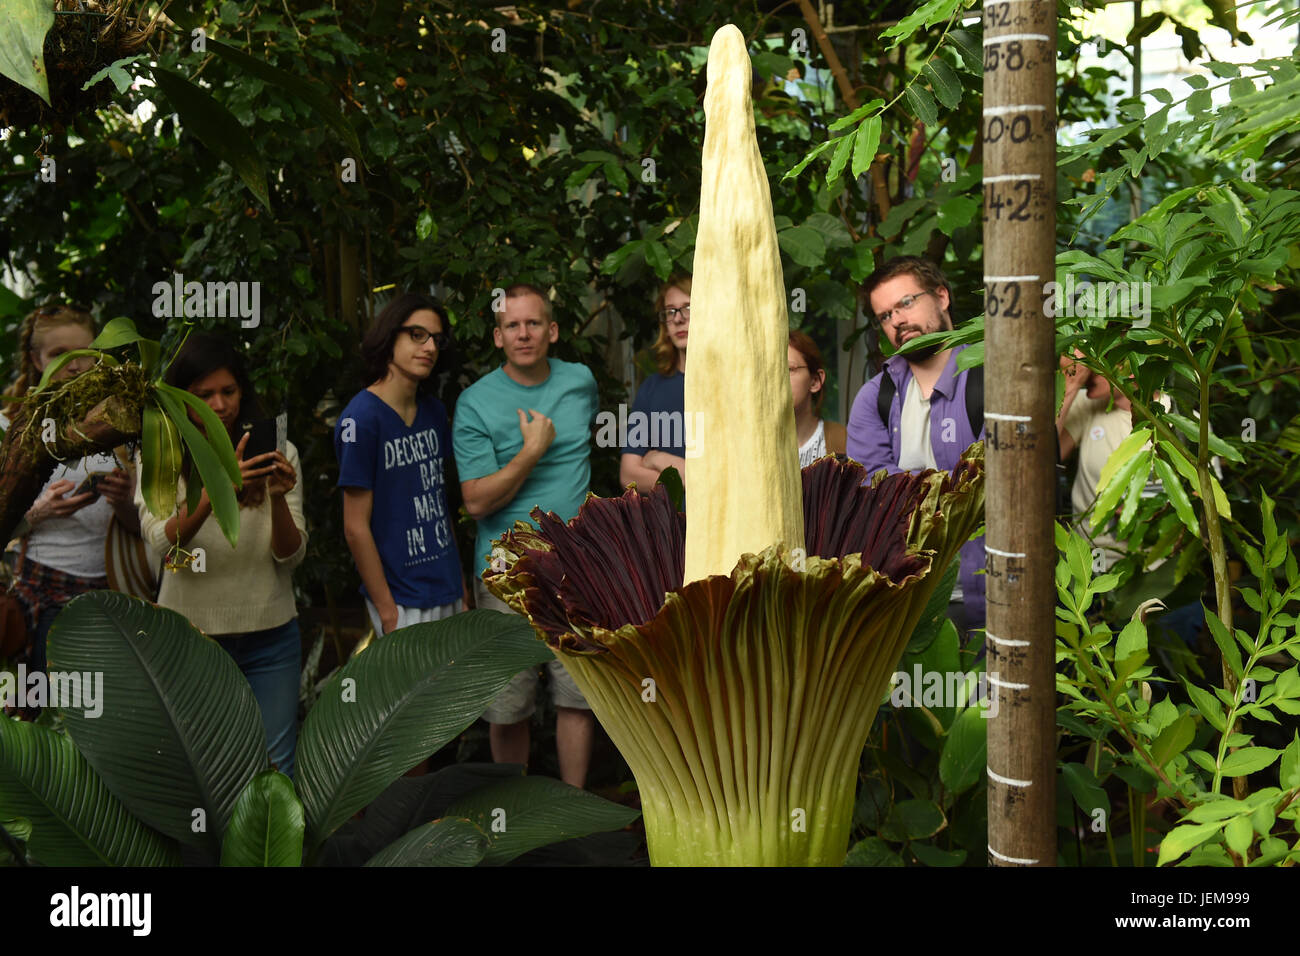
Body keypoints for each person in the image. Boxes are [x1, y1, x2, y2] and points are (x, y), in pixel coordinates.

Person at [134, 332, 306, 778]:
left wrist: (279, 496)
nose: (219, 404)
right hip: (192, 637)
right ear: (180, 398)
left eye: (228, 391)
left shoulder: (279, 451)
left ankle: (272, 850)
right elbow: (163, 543)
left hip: (271, 635)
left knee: (275, 769)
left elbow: (290, 556)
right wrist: (217, 492)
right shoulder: (161, 455)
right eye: (203, 394)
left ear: (242, 391)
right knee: (201, 772)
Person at [453, 283, 598, 788]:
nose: (523, 333)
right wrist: (531, 452)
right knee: (507, 707)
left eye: (533, 322)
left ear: (552, 330)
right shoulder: (475, 403)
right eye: (512, 325)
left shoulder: (580, 382)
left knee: (578, 698)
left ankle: (571, 810)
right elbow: (475, 501)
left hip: (576, 567)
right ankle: (511, 819)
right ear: (497, 336)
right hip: (505, 572)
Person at [2, 303, 140, 708]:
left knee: (101, 715)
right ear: (34, 359)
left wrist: (126, 502)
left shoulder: (120, 420)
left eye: (85, 354)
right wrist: (35, 512)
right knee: (45, 716)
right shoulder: (11, 424)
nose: (76, 367)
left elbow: (143, 528)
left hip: (110, 592)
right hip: (39, 594)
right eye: (59, 356)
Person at [846, 256, 986, 638]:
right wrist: (954, 485)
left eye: (906, 303)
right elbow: (872, 496)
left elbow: (1006, 483)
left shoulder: (990, 376)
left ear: (941, 296)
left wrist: (908, 485)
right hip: (909, 602)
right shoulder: (875, 398)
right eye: (885, 315)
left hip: (994, 594)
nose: (897, 321)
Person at [334, 293, 466, 636]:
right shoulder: (360, 420)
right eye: (417, 334)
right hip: (403, 599)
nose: (430, 347)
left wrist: (462, 588)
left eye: (436, 339)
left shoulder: (434, 412)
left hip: (448, 588)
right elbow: (355, 527)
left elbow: (437, 502)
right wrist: (387, 611)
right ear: (390, 335)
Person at [620, 274, 690, 491]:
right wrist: (688, 477)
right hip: (668, 522)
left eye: (688, 307)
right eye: (670, 311)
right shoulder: (653, 387)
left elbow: (728, 477)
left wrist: (658, 458)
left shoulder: (733, 383)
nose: (678, 319)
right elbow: (628, 475)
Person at [789, 329, 847, 467]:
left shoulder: (843, 440)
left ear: (815, 381)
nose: (778, 378)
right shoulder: (752, 443)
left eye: (789, 369)